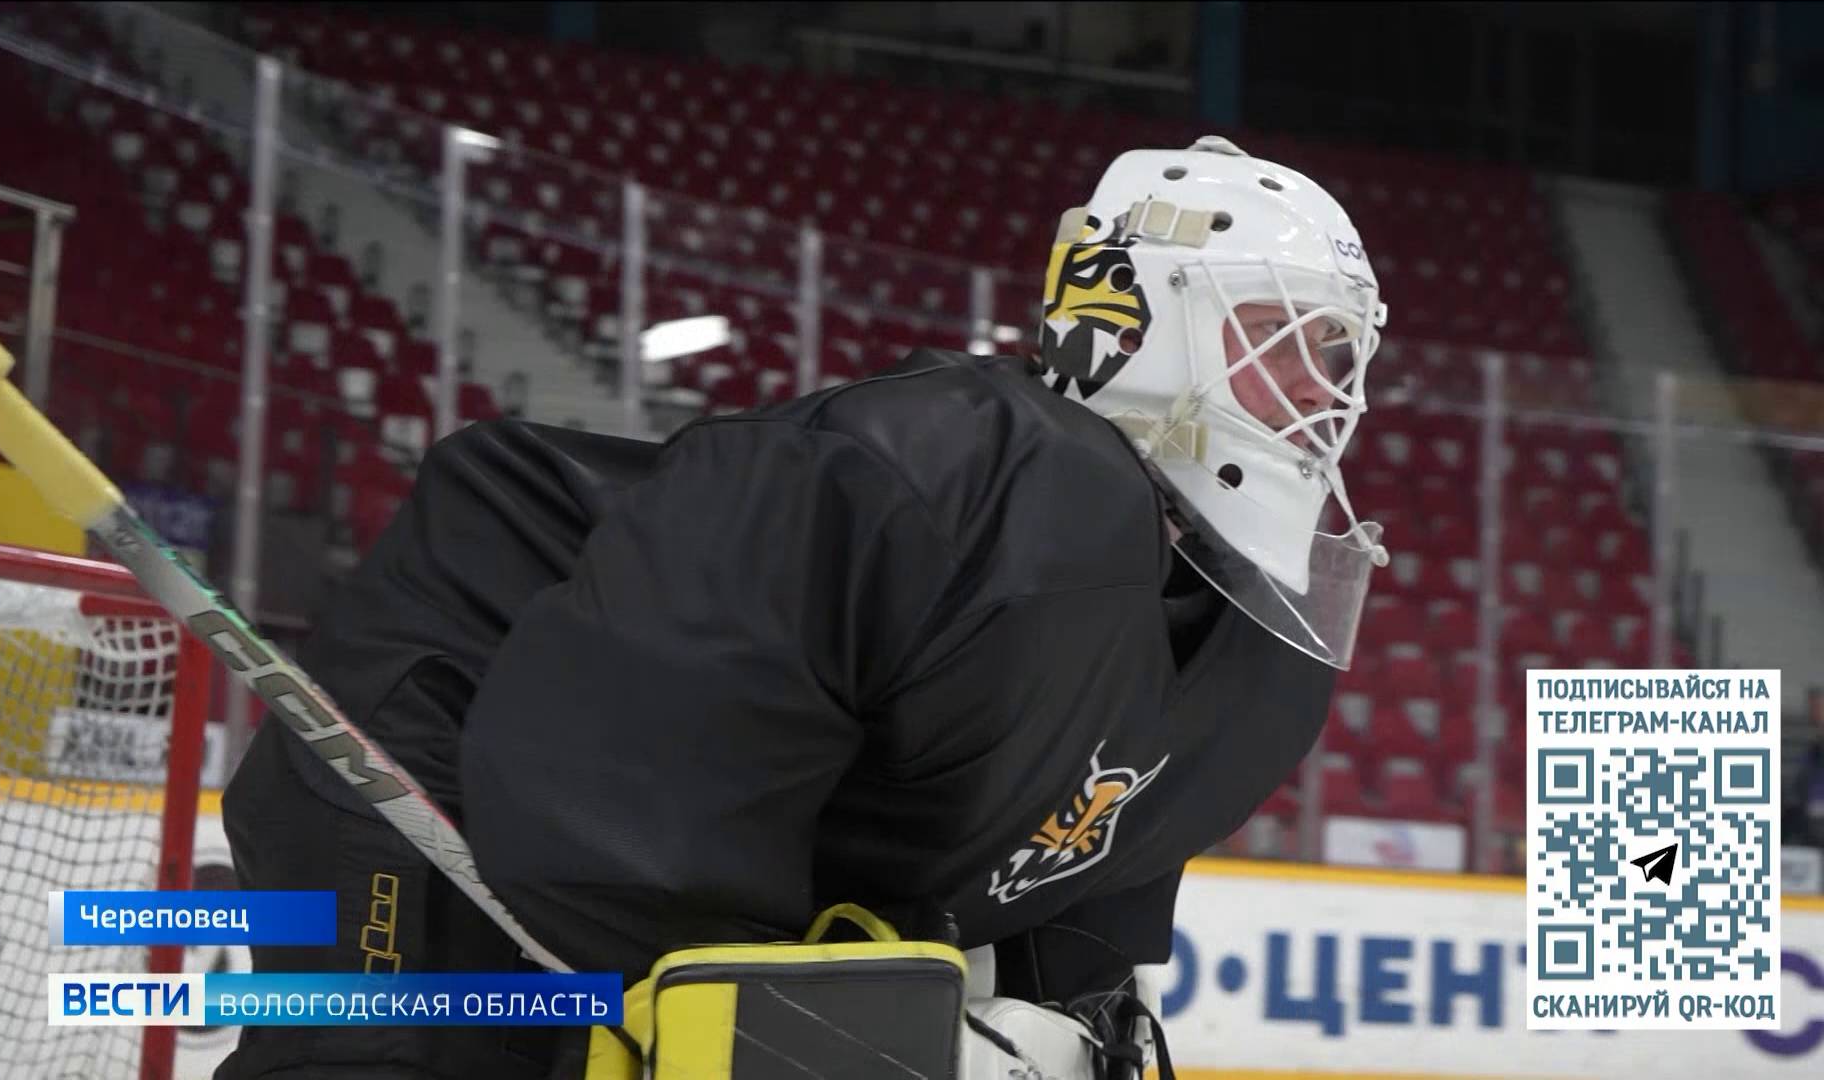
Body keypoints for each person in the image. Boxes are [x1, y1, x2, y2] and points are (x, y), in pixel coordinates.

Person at [217, 135, 1388, 1079]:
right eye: (1286, 339)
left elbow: (1093, 850)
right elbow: (633, 762)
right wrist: (806, 1025)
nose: (1320, 393)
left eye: (1341, 358)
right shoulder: (967, 470)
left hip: (626, 812)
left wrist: (1069, 1022)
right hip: (437, 739)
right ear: (1143, 319)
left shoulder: (1236, 617)